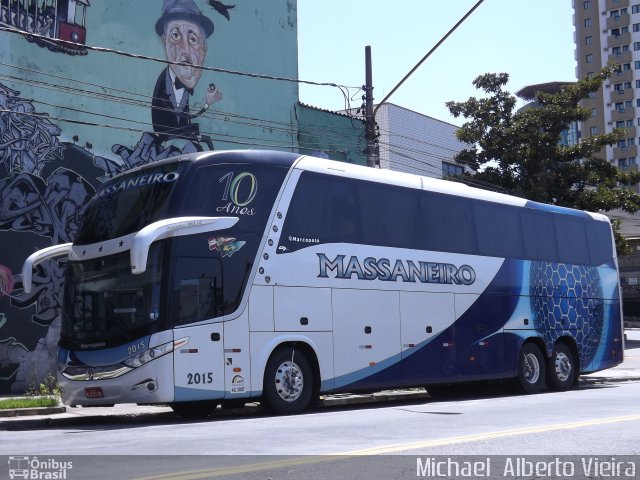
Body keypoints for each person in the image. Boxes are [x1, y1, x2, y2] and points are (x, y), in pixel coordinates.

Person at [151, 0, 224, 145]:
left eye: (192, 39)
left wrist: (207, 103)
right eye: (176, 36)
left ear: (203, 51)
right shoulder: (165, 85)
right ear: (164, 43)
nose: (185, 50)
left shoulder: (182, 83)